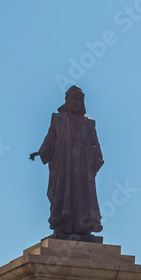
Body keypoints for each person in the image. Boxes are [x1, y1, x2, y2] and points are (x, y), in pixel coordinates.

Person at [30, 86, 104, 235]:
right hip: (64, 164)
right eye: (72, 98)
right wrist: (41, 151)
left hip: (83, 166)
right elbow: (50, 138)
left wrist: (96, 157)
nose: (75, 102)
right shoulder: (58, 120)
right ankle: (63, 224)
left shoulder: (89, 123)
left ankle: (83, 227)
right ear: (67, 101)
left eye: (78, 99)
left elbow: (96, 143)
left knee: (83, 197)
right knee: (63, 193)